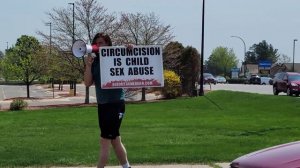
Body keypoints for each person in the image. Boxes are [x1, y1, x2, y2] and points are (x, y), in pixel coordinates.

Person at [84, 32, 131, 168]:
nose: (98, 46)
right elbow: (87, 83)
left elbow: (131, 58)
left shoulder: (117, 55)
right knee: (115, 140)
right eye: (96, 43)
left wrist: (130, 48)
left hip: (115, 104)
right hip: (103, 105)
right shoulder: (94, 61)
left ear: (108, 44)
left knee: (105, 141)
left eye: (101, 43)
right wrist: (88, 66)